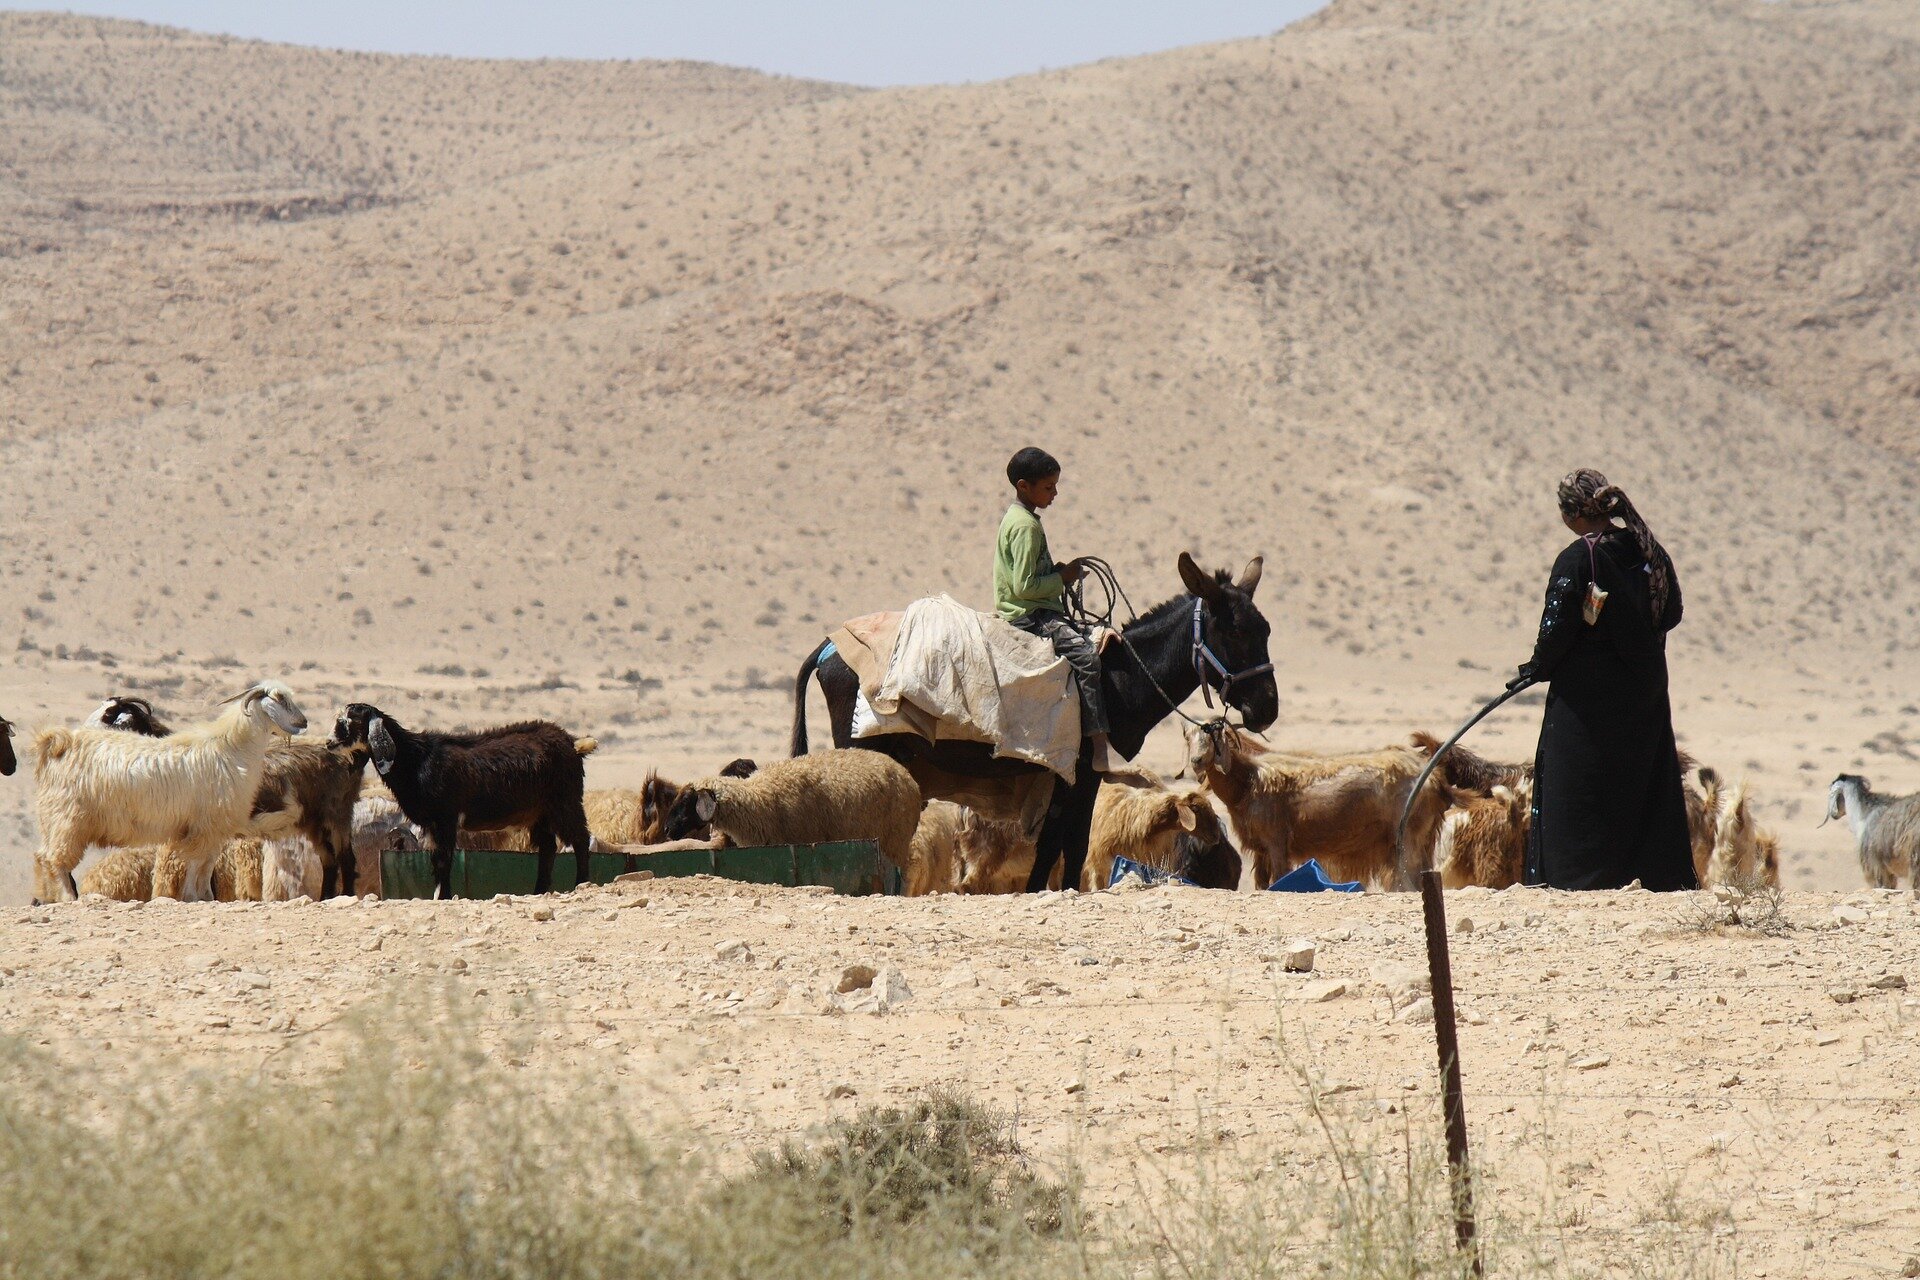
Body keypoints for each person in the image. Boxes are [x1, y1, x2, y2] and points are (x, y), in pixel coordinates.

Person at [1510, 469, 1694, 891]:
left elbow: (1556, 630)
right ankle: (1653, 881)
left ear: (1571, 513)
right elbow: (1672, 614)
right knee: (1641, 787)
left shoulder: (1579, 558)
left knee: (1579, 792)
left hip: (1586, 708)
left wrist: (1535, 668)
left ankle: (1577, 885)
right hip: (1644, 698)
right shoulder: (1648, 551)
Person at [994, 447, 1115, 772]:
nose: (1055, 493)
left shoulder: (1020, 518)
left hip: (1034, 608)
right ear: (1024, 486)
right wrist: (1063, 577)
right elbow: (1024, 586)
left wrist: (1057, 573)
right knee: (1088, 659)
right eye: (1048, 487)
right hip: (1030, 616)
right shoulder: (1026, 527)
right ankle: (1100, 746)